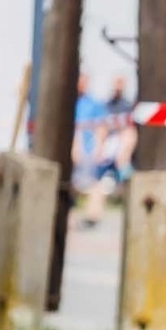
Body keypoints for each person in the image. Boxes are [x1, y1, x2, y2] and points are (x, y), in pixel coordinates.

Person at [71, 73, 109, 229]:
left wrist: (98, 147)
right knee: (71, 183)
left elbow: (101, 127)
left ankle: (93, 215)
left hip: (86, 148)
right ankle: (70, 216)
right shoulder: (69, 102)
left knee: (91, 182)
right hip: (72, 146)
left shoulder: (93, 104)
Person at [104, 75, 137, 183]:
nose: (118, 87)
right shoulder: (106, 106)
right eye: (116, 83)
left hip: (122, 140)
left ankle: (128, 180)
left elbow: (130, 128)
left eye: (120, 84)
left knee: (122, 160)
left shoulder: (128, 106)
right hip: (108, 141)